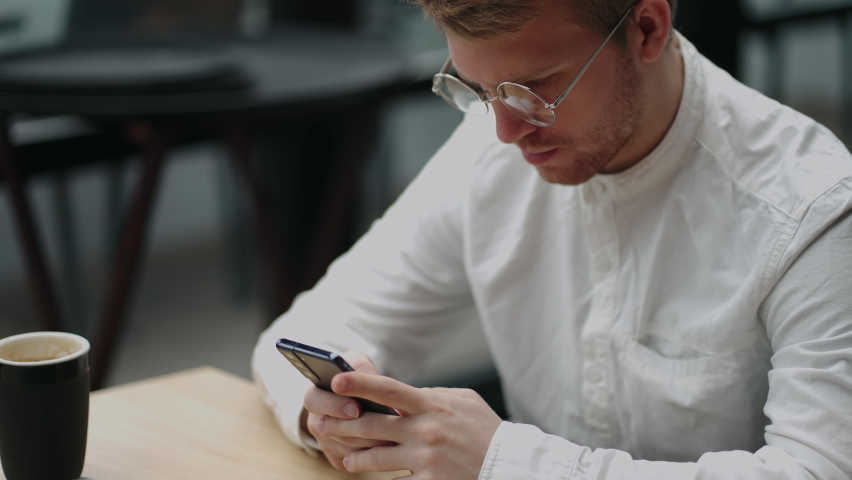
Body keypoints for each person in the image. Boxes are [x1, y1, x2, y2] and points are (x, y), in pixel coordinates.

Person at [252, 0, 852, 478]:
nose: (507, 131)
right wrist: (334, 414)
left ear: (646, 28)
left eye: (534, 89)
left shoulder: (810, 211)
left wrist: (503, 462)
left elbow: (819, 469)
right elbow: (302, 332)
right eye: (479, 91)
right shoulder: (489, 150)